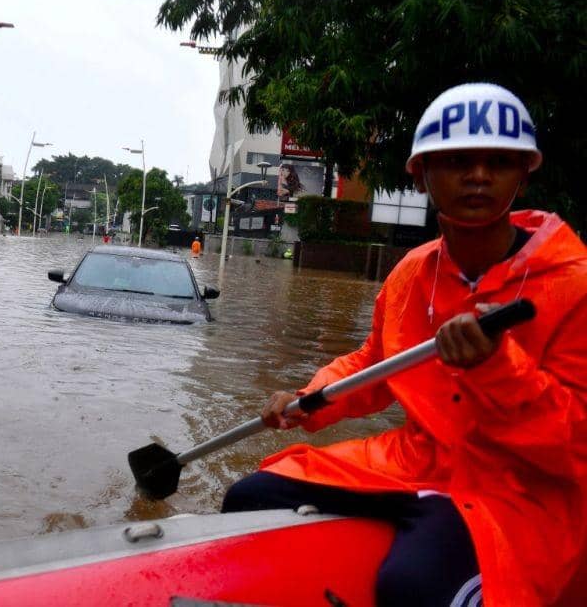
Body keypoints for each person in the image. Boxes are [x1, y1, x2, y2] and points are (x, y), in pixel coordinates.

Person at [222, 84, 587, 606]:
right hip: (417, 461)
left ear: (525, 172)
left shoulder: (575, 284)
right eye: (457, 160)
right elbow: (375, 363)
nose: (478, 176)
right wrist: (309, 398)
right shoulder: (413, 271)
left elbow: (575, 449)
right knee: (251, 496)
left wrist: (499, 368)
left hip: (520, 494)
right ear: (420, 174)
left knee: (411, 585)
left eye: (499, 162)